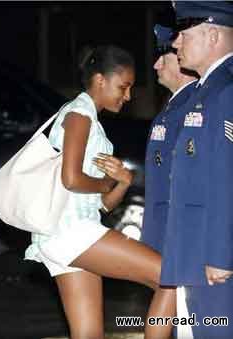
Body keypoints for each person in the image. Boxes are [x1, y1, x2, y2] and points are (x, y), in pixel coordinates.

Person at [24, 45, 176, 339]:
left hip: (63, 235)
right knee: (170, 278)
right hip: (71, 233)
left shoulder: (89, 121)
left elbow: (102, 206)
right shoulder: (79, 115)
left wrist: (122, 181)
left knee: (89, 334)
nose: (129, 96)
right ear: (100, 80)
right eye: (124, 86)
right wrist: (107, 182)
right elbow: (71, 179)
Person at [160, 2, 233, 337]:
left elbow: (228, 174)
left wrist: (222, 252)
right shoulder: (206, 90)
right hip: (193, 251)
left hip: (212, 257)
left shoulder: (227, 90)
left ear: (213, 34)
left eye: (184, 34)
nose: (176, 43)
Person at [140, 24, 199, 339]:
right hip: (165, 236)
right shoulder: (175, 106)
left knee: (189, 324)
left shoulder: (196, 107)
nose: (156, 65)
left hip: (180, 239)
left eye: (165, 56)